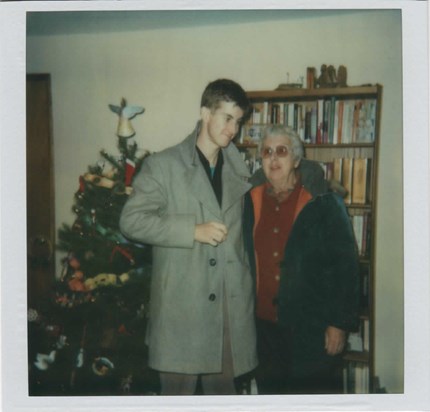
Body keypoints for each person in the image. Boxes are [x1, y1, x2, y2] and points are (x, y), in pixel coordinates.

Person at [119, 79, 257, 395]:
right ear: (205, 113)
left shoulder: (239, 169)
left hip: (227, 312)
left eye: (238, 121)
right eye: (227, 118)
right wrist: (192, 231)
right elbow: (131, 221)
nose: (233, 129)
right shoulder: (163, 165)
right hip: (183, 313)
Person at [244, 124, 359, 394]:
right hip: (263, 330)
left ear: (296, 159)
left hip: (311, 330)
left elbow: (345, 266)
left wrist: (338, 323)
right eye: (267, 152)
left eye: (281, 151)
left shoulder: (323, 202)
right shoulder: (249, 200)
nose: (273, 159)